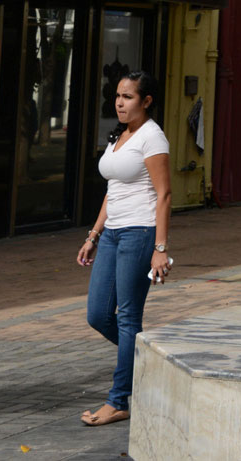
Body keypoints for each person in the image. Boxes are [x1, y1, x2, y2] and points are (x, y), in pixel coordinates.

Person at [76, 72, 172, 426]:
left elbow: (164, 194)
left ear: (146, 101)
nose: (119, 102)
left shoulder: (152, 137)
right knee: (98, 314)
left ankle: (118, 400)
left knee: (128, 317)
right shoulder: (120, 136)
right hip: (113, 233)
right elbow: (112, 189)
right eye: (118, 95)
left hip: (140, 233)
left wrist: (160, 248)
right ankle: (148, 361)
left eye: (128, 96)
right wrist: (94, 234)